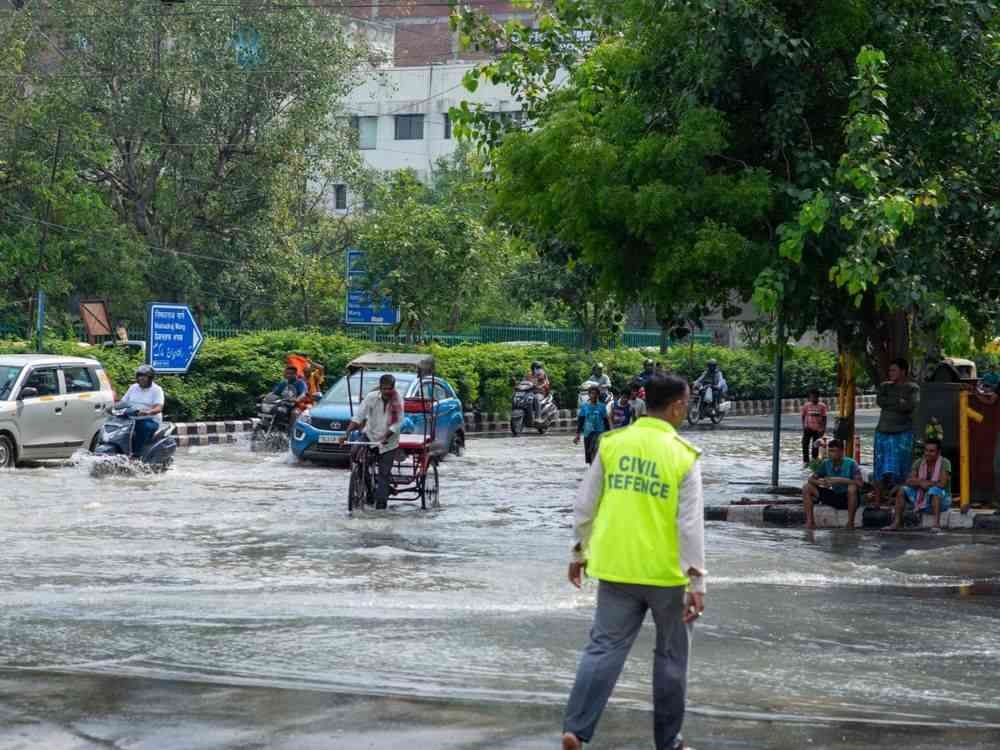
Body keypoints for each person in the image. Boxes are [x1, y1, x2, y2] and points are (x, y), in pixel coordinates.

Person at [562, 374, 706, 750]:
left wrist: (578, 552)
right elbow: (690, 526)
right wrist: (697, 582)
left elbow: (584, 504)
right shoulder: (683, 455)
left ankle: (576, 731)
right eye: (686, 403)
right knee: (672, 658)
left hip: (616, 568)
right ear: (675, 406)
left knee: (603, 648)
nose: (687, 410)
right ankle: (668, 742)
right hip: (667, 575)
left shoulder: (613, 444)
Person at [338, 374, 403, 510]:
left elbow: (397, 424)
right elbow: (358, 417)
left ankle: (381, 505)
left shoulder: (398, 400)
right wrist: (346, 433)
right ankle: (367, 487)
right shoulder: (371, 397)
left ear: (393, 387)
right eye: (384, 388)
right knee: (355, 454)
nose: (386, 391)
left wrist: (386, 437)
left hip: (388, 441)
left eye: (389, 388)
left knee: (384, 474)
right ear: (380, 388)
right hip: (370, 435)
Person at [872, 358, 920, 506]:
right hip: (883, 432)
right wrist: (899, 402)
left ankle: (902, 499)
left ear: (903, 371)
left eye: (894, 370)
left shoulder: (912, 388)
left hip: (902, 432)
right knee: (879, 467)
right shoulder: (885, 386)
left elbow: (911, 405)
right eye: (890, 370)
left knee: (903, 466)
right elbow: (880, 401)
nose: (890, 373)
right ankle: (878, 501)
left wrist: (896, 403)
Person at [884, 438, 952, 532]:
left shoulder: (945, 463)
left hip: (942, 500)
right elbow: (909, 481)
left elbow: (941, 484)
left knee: (935, 490)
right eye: (926, 450)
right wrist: (921, 483)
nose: (928, 453)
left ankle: (936, 524)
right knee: (902, 490)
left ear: (938, 452)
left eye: (931, 451)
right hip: (920, 496)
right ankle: (896, 523)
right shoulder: (919, 462)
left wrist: (924, 483)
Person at [801, 439, 863, 529]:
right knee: (807, 487)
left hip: (848, 497)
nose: (830, 453)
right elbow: (811, 479)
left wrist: (840, 480)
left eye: (833, 451)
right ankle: (810, 522)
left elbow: (860, 484)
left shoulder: (851, 463)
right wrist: (821, 482)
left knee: (852, 488)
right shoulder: (826, 463)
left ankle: (850, 523)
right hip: (835, 496)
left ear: (841, 452)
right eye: (829, 451)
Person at [122, 365, 165, 457]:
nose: (142, 378)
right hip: (131, 418)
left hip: (150, 419)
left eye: (144, 376)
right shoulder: (133, 388)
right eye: (140, 376)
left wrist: (148, 412)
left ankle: (136, 454)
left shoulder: (157, 390)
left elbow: (159, 408)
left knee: (143, 427)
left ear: (150, 378)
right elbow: (123, 402)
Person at [575, 385, 611, 464]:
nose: (593, 396)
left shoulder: (602, 407)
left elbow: (606, 421)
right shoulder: (584, 406)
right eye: (591, 394)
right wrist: (577, 435)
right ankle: (591, 468)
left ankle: (596, 468)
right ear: (589, 394)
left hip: (599, 432)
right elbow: (581, 420)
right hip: (588, 433)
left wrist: (608, 434)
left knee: (597, 451)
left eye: (595, 394)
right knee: (589, 453)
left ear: (598, 395)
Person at [800, 389, 829, 466]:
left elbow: (824, 417)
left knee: (815, 446)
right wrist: (803, 426)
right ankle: (806, 461)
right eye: (811, 397)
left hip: (818, 429)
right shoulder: (806, 405)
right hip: (808, 428)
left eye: (815, 397)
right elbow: (803, 416)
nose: (813, 398)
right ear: (809, 397)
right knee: (804, 444)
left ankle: (814, 461)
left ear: (818, 397)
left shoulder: (822, 406)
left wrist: (823, 428)